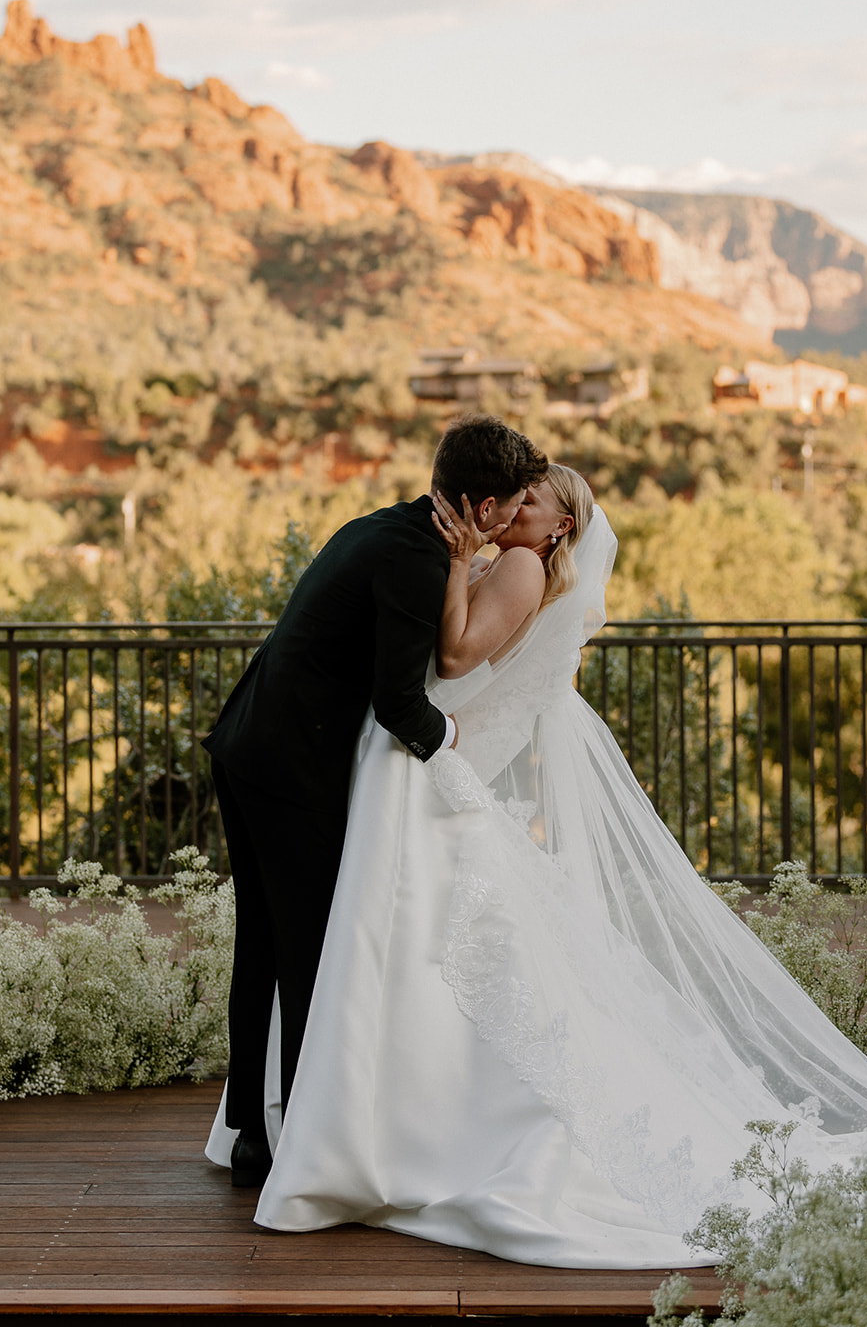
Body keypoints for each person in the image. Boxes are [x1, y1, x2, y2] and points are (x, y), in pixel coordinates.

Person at [207, 469, 867, 1267]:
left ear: (561, 527)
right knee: (384, 949)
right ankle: (331, 1122)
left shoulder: (517, 566)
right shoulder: (507, 558)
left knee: (398, 947)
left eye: (535, 502)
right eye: (517, 496)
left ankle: (356, 1130)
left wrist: (457, 566)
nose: (518, 508)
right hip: (406, 762)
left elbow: (452, 662)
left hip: (421, 758)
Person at [202, 414, 547, 1187]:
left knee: (264, 942)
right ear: (485, 508)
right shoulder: (417, 561)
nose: (516, 519)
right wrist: (458, 744)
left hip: (250, 741)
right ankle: (295, 1135)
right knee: (306, 949)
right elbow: (399, 703)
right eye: (515, 503)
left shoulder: (389, 525)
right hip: (288, 767)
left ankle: (252, 1129)